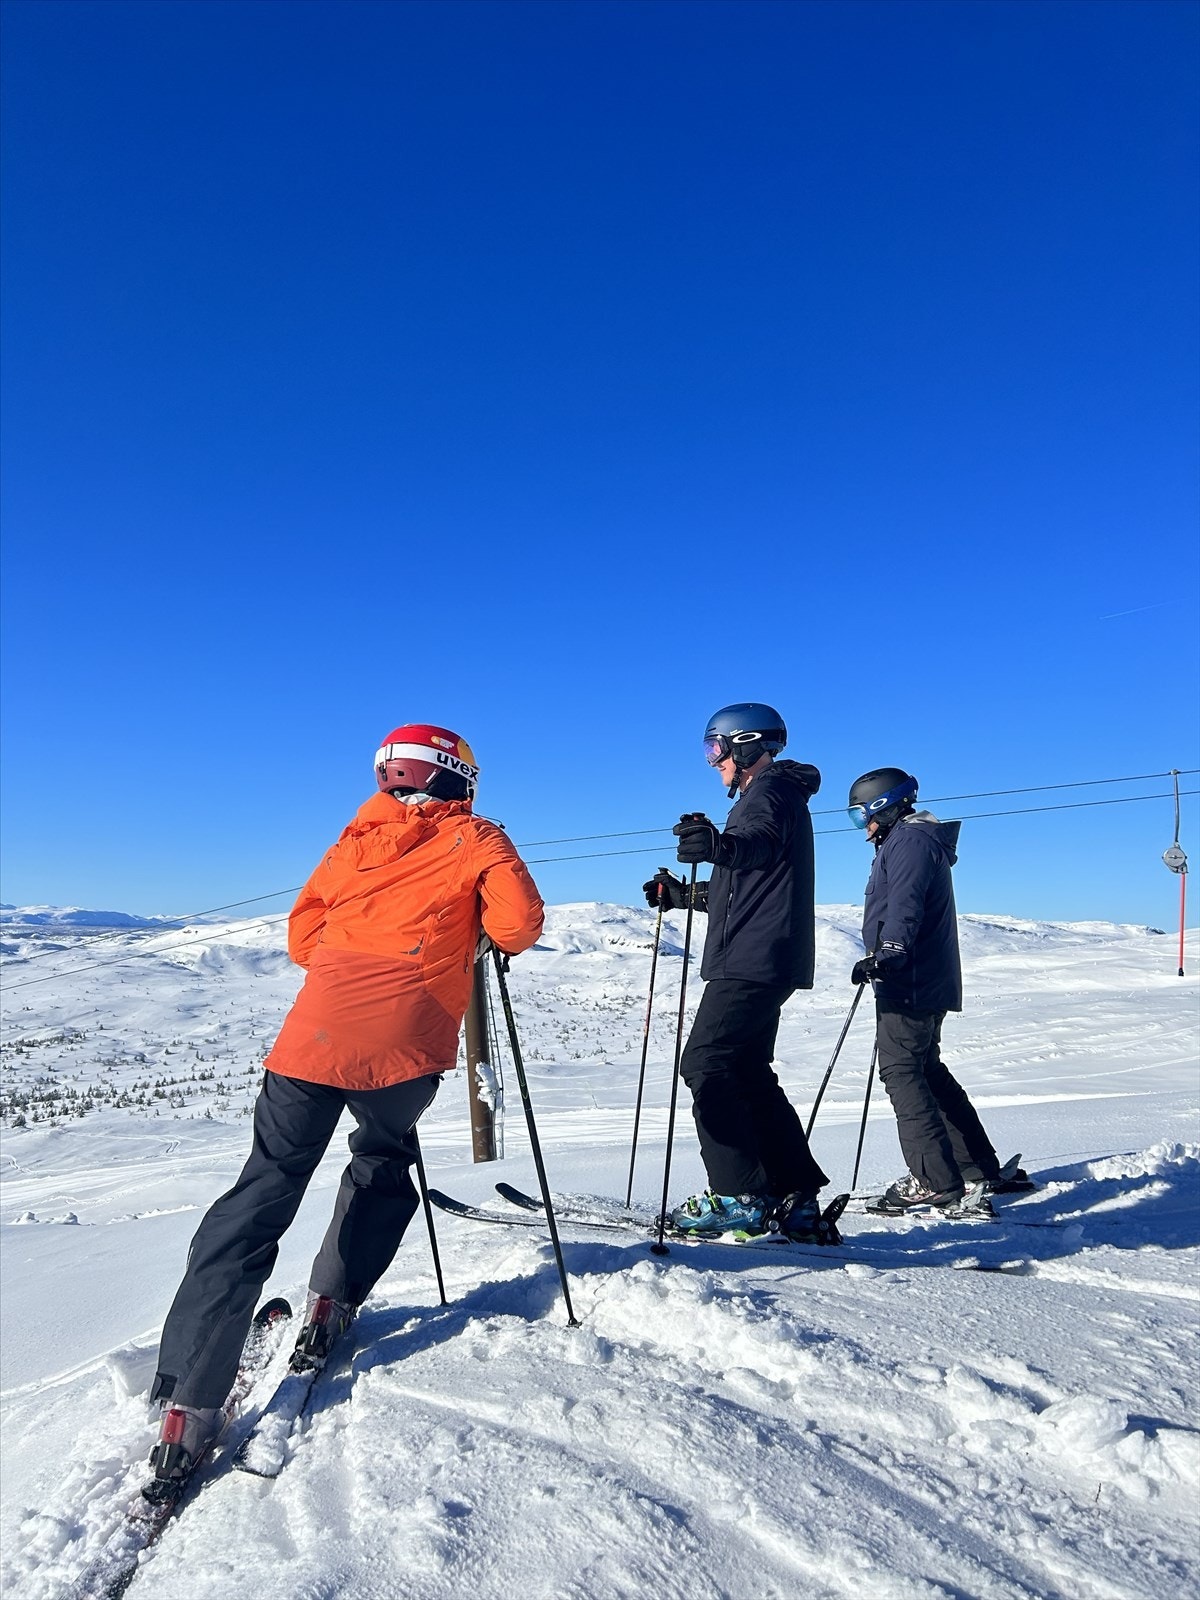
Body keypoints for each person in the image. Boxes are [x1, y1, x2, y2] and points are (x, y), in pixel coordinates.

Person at [147, 723, 544, 1486]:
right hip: (405, 1048)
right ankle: (333, 1301)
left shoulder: (351, 839)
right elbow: (517, 928)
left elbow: (304, 937)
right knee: (383, 1158)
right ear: (458, 776)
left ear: (392, 776)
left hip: (312, 1041)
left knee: (262, 1191)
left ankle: (186, 1400)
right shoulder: (479, 838)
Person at [642, 702, 830, 1240]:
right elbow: (751, 881)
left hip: (750, 959)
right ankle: (793, 1195)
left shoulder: (768, 793)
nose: (712, 762)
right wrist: (685, 896)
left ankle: (739, 1195)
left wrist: (719, 845)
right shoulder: (772, 793)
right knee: (747, 1070)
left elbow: (756, 849)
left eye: (714, 749)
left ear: (744, 745)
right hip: (765, 954)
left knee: (706, 1063)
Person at [846, 767, 1001, 1216]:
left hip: (910, 978)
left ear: (885, 806)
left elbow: (905, 903)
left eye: (862, 816)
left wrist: (889, 952)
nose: (863, 827)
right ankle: (975, 1168)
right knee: (925, 1068)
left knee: (902, 1072)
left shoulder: (909, 842)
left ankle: (934, 1180)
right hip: (921, 975)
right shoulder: (907, 841)